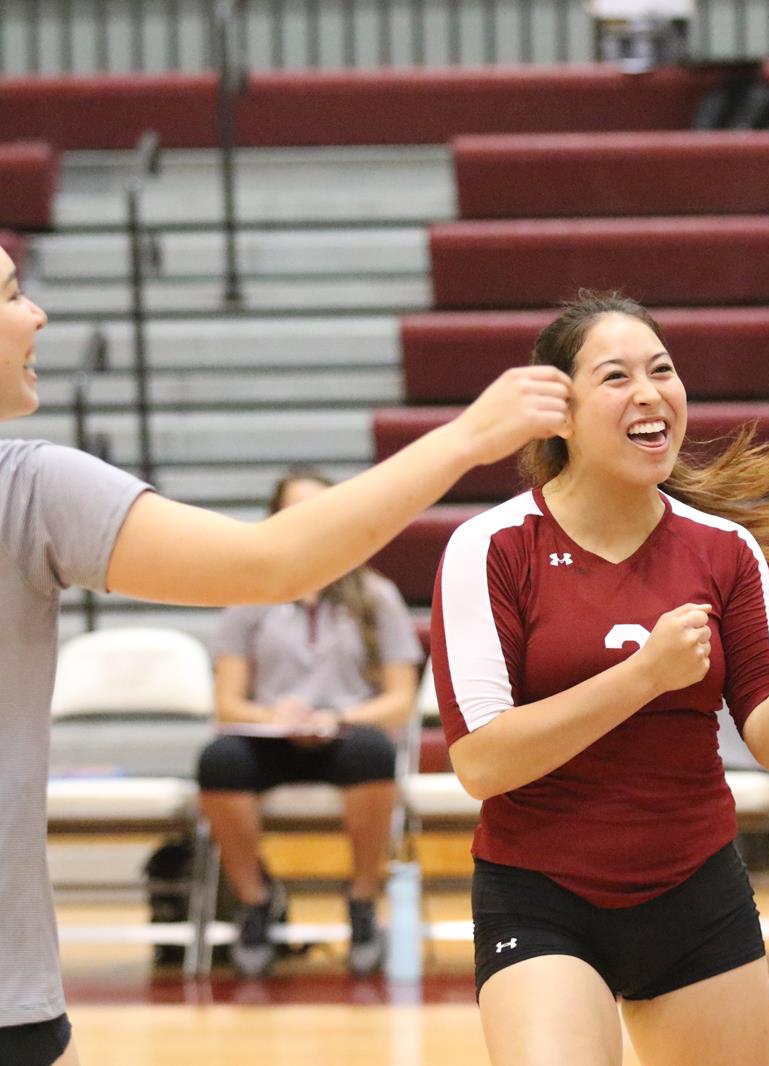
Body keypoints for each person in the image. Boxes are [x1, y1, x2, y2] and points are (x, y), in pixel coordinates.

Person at [0, 239, 571, 1066]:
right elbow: (271, 562)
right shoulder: (29, 488)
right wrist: (462, 439)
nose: (38, 313)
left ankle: (347, 901)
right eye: (14, 294)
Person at [430, 291, 769, 1066]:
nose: (650, 394)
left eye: (663, 370)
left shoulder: (723, 550)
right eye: (616, 377)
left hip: (695, 890)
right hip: (541, 892)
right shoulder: (490, 548)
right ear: (560, 413)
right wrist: (641, 676)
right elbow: (482, 762)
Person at [195, 468, 425, 978]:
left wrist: (334, 717)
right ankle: (256, 903)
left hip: (346, 731)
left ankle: (363, 904)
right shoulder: (249, 594)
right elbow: (228, 705)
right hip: (271, 736)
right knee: (218, 760)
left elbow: (399, 701)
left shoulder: (375, 594)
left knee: (374, 753)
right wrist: (274, 717)